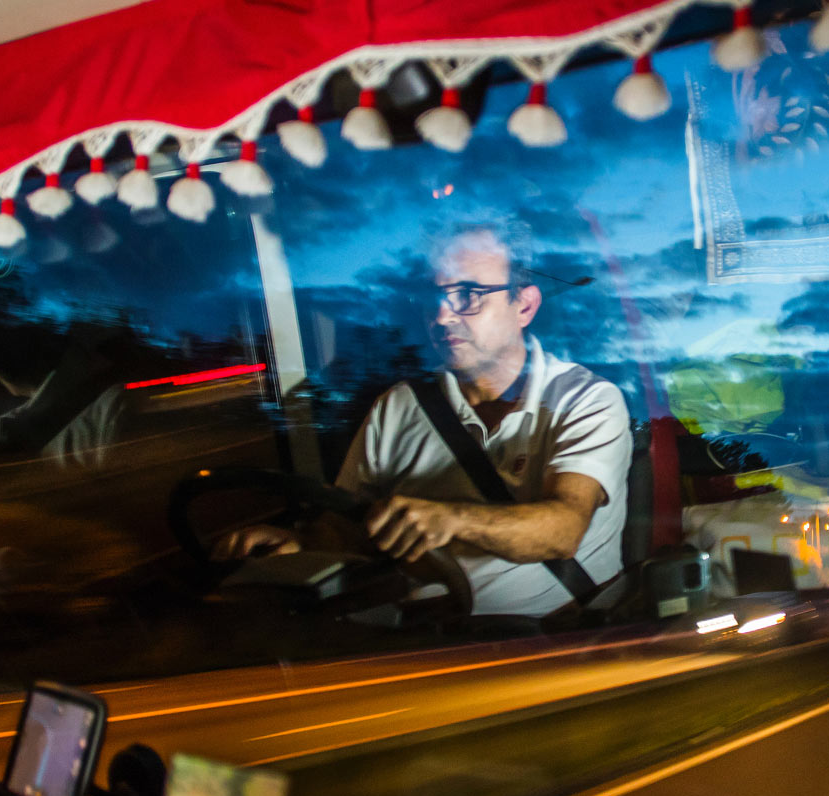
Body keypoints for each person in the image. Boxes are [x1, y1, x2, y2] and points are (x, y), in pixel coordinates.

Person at [216, 221, 631, 618]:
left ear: (523, 304)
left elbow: (563, 528)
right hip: (421, 634)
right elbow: (346, 527)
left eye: (468, 294)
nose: (442, 316)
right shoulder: (397, 408)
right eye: (432, 298)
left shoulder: (586, 400)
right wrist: (299, 545)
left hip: (554, 639)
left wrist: (449, 518)